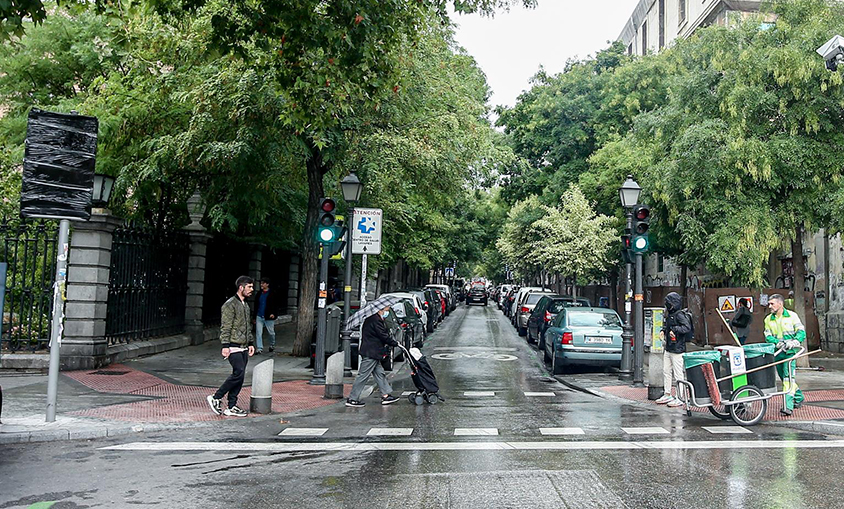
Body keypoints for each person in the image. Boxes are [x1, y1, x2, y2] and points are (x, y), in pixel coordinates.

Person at [207, 276, 255, 417]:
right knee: (238, 373)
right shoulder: (230, 304)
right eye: (249, 287)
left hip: (244, 345)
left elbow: (247, 326)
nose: (251, 290)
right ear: (241, 287)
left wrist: (250, 343)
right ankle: (216, 397)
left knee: (240, 377)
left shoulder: (245, 305)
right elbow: (226, 326)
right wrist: (225, 345)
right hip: (233, 345)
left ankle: (231, 405)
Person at [346, 306, 401, 407]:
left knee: (380, 373)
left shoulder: (373, 319)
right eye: (386, 310)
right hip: (371, 353)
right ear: (380, 310)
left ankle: (385, 395)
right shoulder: (375, 320)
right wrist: (394, 343)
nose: (387, 312)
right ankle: (352, 399)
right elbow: (383, 335)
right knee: (363, 376)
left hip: (373, 353)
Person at [763, 293, 805, 415]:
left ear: (780, 304)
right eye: (769, 304)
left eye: (772, 303)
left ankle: (788, 406)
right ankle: (799, 397)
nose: (769, 306)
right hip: (778, 353)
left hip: (790, 353)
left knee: (787, 379)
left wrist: (795, 341)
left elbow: (801, 332)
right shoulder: (768, 319)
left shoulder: (792, 316)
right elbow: (768, 336)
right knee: (784, 377)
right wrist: (778, 343)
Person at [656, 292, 693, 408]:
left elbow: (687, 327)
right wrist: (663, 330)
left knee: (678, 374)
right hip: (669, 347)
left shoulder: (679, 315)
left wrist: (675, 329)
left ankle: (680, 396)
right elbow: (667, 325)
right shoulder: (670, 314)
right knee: (666, 371)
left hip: (678, 349)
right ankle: (667, 393)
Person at [254, 277, 279, 354]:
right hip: (259, 315)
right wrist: (254, 316)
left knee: (271, 333)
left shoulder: (272, 293)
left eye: (263, 283)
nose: (261, 285)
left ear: (267, 284)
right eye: (261, 283)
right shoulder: (259, 294)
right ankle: (259, 348)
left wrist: (274, 314)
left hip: (269, 316)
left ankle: (272, 345)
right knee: (258, 332)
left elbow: (276, 305)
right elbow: (256, 305)